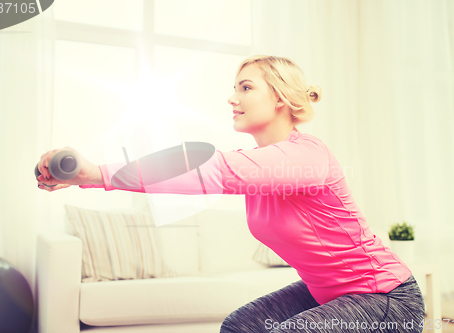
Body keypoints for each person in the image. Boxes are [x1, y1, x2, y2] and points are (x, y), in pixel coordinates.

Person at [36, 55, 426, 333]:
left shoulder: (309, 156)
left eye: (245, 87)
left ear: (279, 98)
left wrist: (94, 173)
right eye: (233, 88)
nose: (232, 98)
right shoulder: (261, 165)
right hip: (327, 295)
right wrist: (88, 177)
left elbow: (201, 169)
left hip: (388, 299)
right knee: (240, 326)